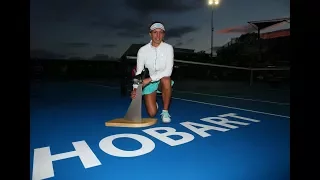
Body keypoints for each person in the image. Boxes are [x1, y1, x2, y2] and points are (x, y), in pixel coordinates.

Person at [131, 21, 174, 123]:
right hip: (149, 82)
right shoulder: (142, 50)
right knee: (152, 113)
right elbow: (139, 72)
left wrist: (149, 79)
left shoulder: (168, 48)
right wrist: (135, 89)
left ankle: (165, 111)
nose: (158, 35)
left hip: (160, 80)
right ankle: (155, 103)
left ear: (163, 34)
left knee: (166, 79)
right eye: (155, 32)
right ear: (150, 34)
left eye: (160, 32)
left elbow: (168, 71)